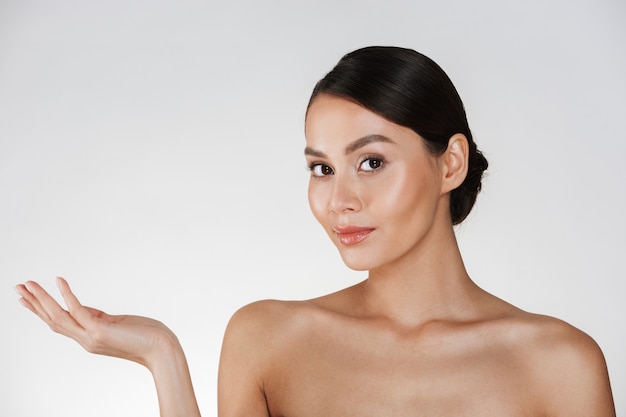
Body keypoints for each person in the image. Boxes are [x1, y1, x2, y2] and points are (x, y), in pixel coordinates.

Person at [15, 46, 615, 417]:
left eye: (372, 162)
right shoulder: (268, 339)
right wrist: (162, 357)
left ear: (449, 163)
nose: (340, 199)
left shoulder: (559, 364)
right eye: (321, 168)